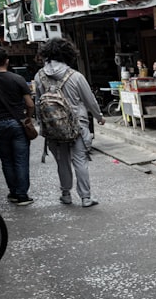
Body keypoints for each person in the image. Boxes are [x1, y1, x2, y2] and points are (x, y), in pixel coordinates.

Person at [32, 37, 105, 207]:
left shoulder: (39, 76)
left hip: (53, 127)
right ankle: (86, 198)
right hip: (77, 126)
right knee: (80, 160)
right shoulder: (75, 76)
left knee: (61, 161)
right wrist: (99, 116)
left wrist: (42, 125)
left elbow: (38, 103)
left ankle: (66, 194)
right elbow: (90, 101)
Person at [0, 47, 36, 205]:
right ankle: (22, 195)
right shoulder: (17, 79)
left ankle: (13, 192)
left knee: (7, 160)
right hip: (18, 123)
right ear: (7, 61)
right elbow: (30, 104)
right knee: (21, 160)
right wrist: (29, 118)